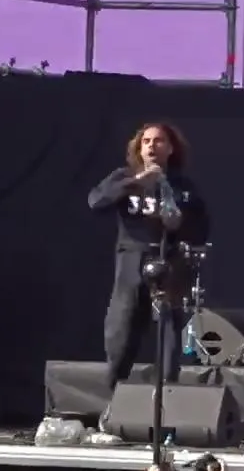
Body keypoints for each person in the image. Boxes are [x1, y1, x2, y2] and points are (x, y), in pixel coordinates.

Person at [87, 122, 210, 391]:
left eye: (159, 141)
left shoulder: (182, 186)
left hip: (168, 259)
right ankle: (114, 396)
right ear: (139, 148)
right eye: (146, 141)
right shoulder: (125, 176)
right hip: (132, 257)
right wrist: (136, 182)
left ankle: (167, 393)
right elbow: (96, 202)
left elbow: (202, 228)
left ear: (171, 148)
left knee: (169, 327)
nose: (152, 146)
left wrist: (180, 225)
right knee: (122, 328)